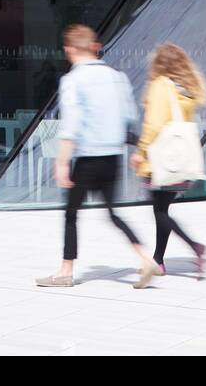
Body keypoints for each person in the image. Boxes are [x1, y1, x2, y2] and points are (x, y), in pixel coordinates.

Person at [36, 24, 155, 289]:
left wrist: (62, 162)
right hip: (113, 157)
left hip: (88, 158)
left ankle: (65, 271)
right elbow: (129, 117)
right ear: (93, 46)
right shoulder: (117, 76)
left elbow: (71, 124)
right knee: (112, 213)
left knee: (71, 214)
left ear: (68, 50)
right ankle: (145, 259)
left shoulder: (73, 80)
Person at [131, 43, 206, 287]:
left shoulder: (161, 86)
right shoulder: (185, 90)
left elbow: (154, 125)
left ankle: (196, 247)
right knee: (162, 209)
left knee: (159, 211)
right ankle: (159, 260)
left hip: (160, 159)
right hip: (178, 160)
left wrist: (141, 150)